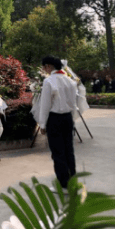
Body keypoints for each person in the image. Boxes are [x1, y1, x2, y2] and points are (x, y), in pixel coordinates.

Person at [38, 56, 78, 192]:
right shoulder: (70, 81)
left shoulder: (49, 81)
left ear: (49, 66)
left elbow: (45, 105)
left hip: (54, 119)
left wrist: (42, 124)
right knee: (69, 150)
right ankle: (72, 181)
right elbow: (74, 103)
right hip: (67, 118)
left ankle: (64, 184)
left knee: (58, 152)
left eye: (44, 67)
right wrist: (72, 120)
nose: (44, 70)